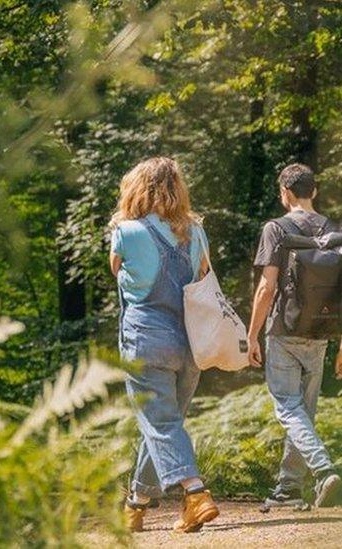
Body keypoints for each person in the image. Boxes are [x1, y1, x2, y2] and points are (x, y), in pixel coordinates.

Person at [110, 157, 219, 533]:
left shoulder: (127, 231)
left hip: (146, 341)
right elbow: (202, 277)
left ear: (137, 189)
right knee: (162, 424)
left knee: (162, 424)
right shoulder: (197, 232)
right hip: (190, 343)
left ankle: (196, 493)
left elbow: (116, 271)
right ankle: (136, 504)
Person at [247, 163, 342, 509]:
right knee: (303, 413)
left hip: (284, 328)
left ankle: (323, 470)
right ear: (315, 191)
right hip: (322, 331)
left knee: (287, 408)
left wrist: (251, 336)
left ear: (285, 193)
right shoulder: (336, 230)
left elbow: (267, 287)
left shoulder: (276, 229)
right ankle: (288, 488)